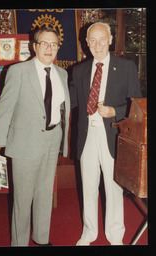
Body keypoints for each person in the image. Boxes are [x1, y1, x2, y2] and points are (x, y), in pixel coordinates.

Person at [0, 27, 70, 246]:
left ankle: (41, 239)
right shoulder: (18, 71)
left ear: (58, 48)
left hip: (52, 141)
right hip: (25, 143)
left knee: (44, 194)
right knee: (22, 200)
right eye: (44, 43)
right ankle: (19, 243)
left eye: (53, 44)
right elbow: (4, 108)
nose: (49, 48)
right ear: (34, 46)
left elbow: (62, 110)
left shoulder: (62, 74)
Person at [69, 22, 142, 246]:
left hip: (113, 135)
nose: (98, 45)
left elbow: (136, 105)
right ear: (87, 44)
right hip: (86, 136)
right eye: (93, 40)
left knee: (113, 188)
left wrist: (115, 111)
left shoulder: (127, 67)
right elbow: (69, 101)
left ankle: (115, 235)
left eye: (102, 39)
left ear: (110, 40)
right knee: (88, 185)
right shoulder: (79, 70)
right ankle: (89, 232)